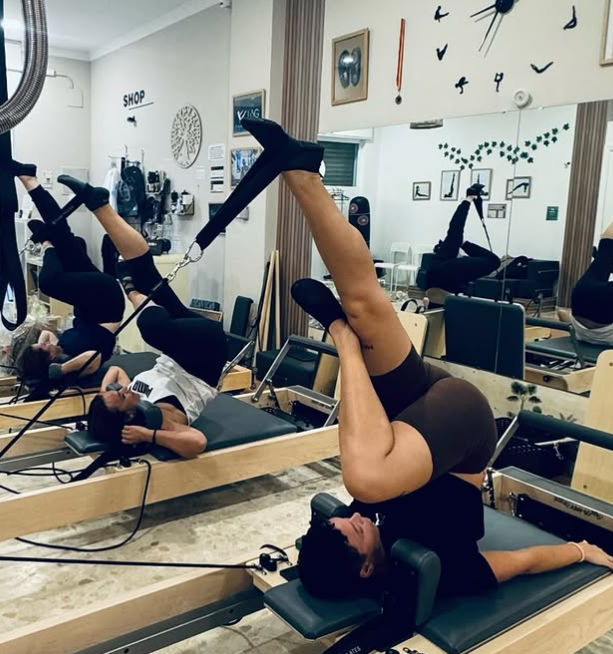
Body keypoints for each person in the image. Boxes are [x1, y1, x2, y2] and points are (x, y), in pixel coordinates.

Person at [237, 118, 613, 600]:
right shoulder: (444, 568)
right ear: (368, 569)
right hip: (463, 424)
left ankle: (300, 172)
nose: (354, 517)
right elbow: (521, 562)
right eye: (354, 531)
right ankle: (341, 338)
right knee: (368, 479)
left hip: (409, 423)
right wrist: (580, 551)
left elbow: (354, 505)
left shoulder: (360, 522)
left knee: (364, 302)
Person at [59, 175, 228, 459]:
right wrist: (148, 435)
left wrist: (110, 391)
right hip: (203, 355)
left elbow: (114, 373)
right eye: (122, 395)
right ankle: (134, 295)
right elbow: (196, 443)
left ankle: (99, 204)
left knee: (145, 271)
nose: (123, 388)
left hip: (181, 348)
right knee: (151, 328)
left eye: (117, 391)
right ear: (128, 420)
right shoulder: (154, 418)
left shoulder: (132, 397)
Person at [12, 162, 125, 382]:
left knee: (63, 235)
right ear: (51, 362)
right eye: (44, 348)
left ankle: (30, 180)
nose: (45, 342)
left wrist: (43, 345)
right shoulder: (78, 362)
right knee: (49, 283)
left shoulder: (59, 348)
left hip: (90, 301)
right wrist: (60, 370)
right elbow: (94, 358)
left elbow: (47, 334)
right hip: (106, 301)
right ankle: (47, 243)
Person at [425, 190, 501, 306]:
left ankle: (468, 199)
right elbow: (494, 260)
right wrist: (465, 244)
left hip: (436, 285)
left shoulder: (438, 260)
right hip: (450, 282)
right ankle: (468, 200)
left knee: (455, 231)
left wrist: (468, 201)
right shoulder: (458, 265)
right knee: (494, 261)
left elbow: (456, 225)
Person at [558, 223, 613, 346]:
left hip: (587, 296)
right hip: (582, 301)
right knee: (606, 252)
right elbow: (562, 313)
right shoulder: (581, 333)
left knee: (605, 252)